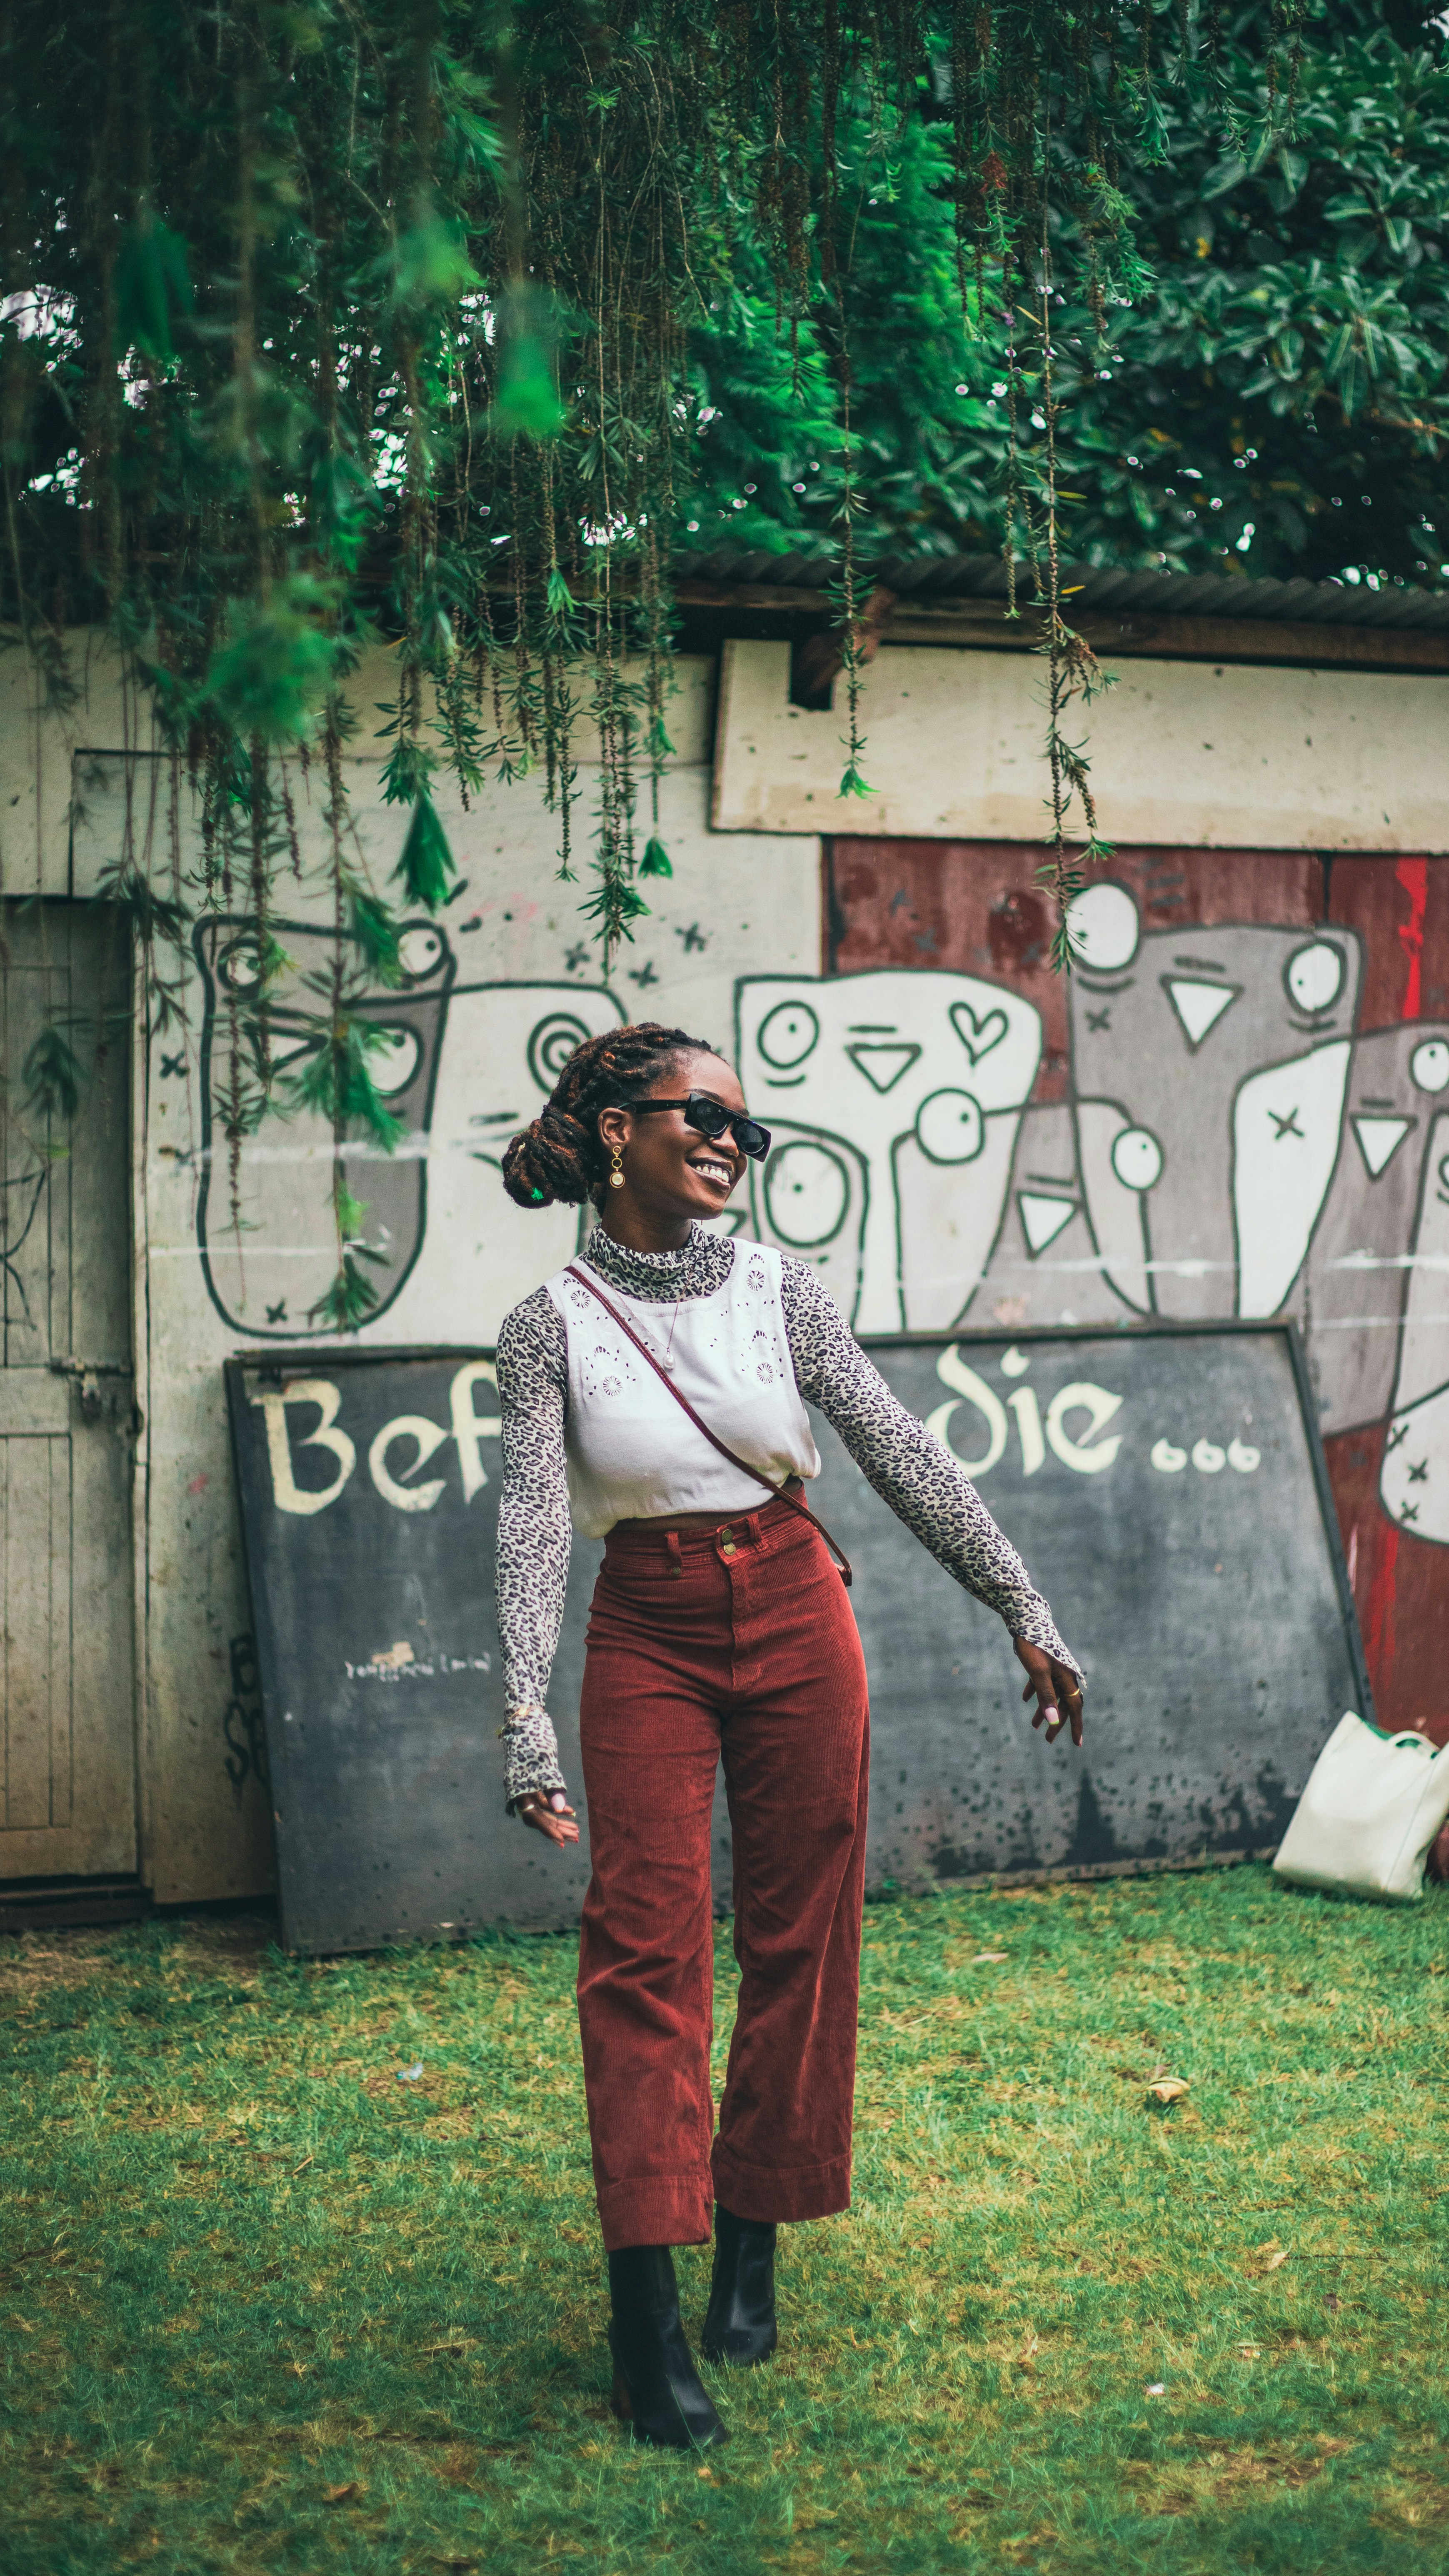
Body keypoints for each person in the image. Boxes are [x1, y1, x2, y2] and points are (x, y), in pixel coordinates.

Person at [495, 1022, 1084, 2450]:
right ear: (615, 1129)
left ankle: (748, 2234)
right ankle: (646, 2322)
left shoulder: (780, 1288)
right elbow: (527, 1523)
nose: (727, 1142)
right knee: (642, 1948)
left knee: (800, 1933)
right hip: (647, 1624)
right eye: (700, 1114)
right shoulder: (548, 1321)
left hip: (797, 1608)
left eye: (744, 1128)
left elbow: (897, 1444)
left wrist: (1022, 1600)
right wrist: (524, 1709)